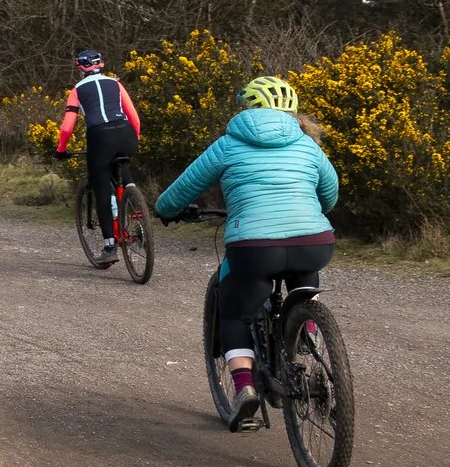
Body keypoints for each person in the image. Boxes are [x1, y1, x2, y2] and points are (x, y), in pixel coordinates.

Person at [155, 76, 340, 428]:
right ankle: (306, 331)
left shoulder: (228, 144)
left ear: (249, 108)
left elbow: (182, 189)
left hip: (253, 247)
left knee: (236, 312)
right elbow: (330, 193)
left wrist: (165, 209)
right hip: (314, 242)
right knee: (305, 282)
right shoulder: (307, 145)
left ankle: (244, 389)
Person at [54, 50, 143, 268]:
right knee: (122, 163)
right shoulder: (115, 83)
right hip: (125, 132)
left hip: (100, 137)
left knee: (101, 186)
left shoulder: (76, 91)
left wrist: (61, 149)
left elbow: (67, 128)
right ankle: (135, 205)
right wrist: (135, 137)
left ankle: (110, 248)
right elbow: (134, 117)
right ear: (101, 64)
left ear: (80, 68)